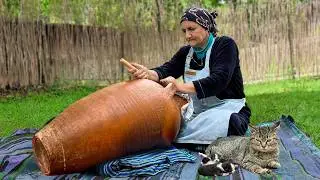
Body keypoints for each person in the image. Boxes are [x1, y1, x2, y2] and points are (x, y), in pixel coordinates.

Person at [125, 7, 251, 150]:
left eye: (191, 29)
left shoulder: (225, 45)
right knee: (171, 129)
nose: (187, 35)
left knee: (231, 122)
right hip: (198, 113)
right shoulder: (186, 53)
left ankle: (199, 140)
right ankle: (202, 142)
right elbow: (166, 70)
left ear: (206, 26)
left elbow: (219, 80)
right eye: (184, 31)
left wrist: (179, 86)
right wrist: (148, 73)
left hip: (228, 108)